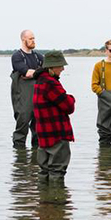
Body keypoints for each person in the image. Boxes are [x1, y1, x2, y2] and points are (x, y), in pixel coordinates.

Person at [33, 51, 75, 180]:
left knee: (44, 171)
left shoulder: (39, 81)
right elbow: (69, 106)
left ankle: (44, 198)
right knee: (57, 171)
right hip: (56, 134)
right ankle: (57, 198)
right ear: (52, 67)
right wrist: (71, 98)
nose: (62, 68)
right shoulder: (51, 83)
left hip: (43, 134)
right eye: (60, 65)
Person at [10, 29, 45, 148]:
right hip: (22, 95)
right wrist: (40, 71)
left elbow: (47, 72)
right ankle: (20, 156)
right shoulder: (17, 56)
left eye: (34, 38)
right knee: (23, 122)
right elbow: (26, 72)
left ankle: (36, 156)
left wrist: (38, 72)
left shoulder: (38, 56)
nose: (33, 41)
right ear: (23, 39)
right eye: (31, 39)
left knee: (38, 126)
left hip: (38, 94)